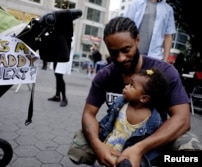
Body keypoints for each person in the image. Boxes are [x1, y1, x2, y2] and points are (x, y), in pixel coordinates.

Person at [81, 17, 201, 167]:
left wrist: (139, 149)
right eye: (113, 53)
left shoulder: (163, 72)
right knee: (80, 141)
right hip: (116, 135)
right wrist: (97, 145)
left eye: (126, 50)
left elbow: (183, 119)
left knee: (192, 153)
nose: (121, 58)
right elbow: (88, 113)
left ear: (137, 40)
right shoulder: (104, 76)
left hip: (153, 139)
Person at [93, 68, 169, 167]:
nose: (126, 86)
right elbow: (106, 122)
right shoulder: (120, 103)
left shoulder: (154, 120)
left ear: (144, 98)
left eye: (131, 85)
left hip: (126, 160)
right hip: (106, 151)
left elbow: (153, 146)